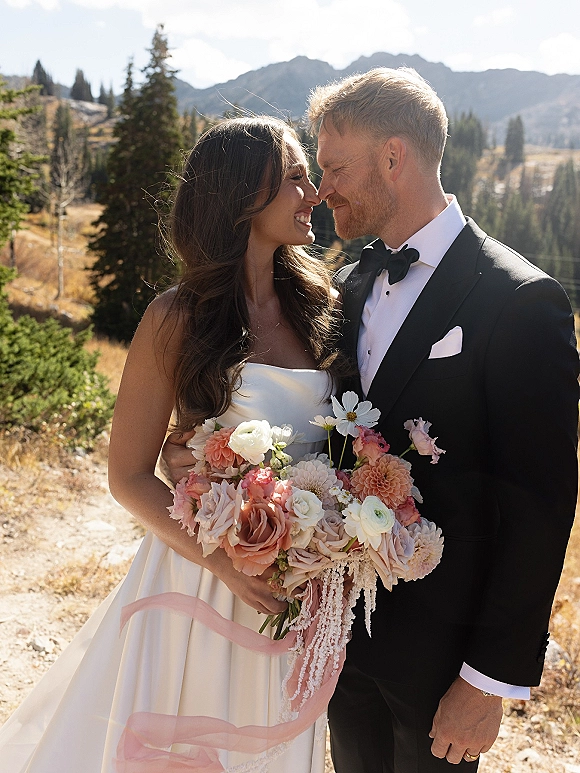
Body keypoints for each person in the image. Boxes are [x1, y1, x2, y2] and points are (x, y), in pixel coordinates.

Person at [160, 68, 579, 773]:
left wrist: (488, 679)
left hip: (446, 661)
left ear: (394, 157)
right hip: (338, 639)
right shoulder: (349, 286)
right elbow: (319, 427)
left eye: (332, 166)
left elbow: (541, 507)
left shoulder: (522, 300)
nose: (321, 191)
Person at [0, 116, 344, 773]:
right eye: (296, 178)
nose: (313, 193)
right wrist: (218, 562)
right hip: (200, 580)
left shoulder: (321, 305)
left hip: (296, 587)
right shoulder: (175, 316)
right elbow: (128, 475)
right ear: (246, 195)